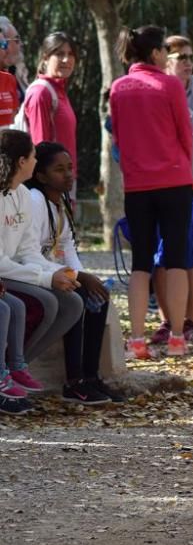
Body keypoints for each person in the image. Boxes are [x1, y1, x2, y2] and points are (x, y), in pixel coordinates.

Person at [110, 25, 193, 359]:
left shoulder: (118, 89)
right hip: (174, 180)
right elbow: (184, 133)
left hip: (137, 184)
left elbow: (118, 138)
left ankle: (137, 340)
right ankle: (176, 336)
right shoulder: (170, 85)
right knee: (176, 259)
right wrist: (182, 163)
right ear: (157, 53)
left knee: (140, 262)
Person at [27, 142, 124, 405]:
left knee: (98, 296)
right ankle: (74, 382)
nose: (68, 174)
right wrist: (77, 277)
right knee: (78, 295)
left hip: (54, 272)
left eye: (70, 168)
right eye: (59, 170)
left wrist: (84, 275)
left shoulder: (61, 202)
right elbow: (30, 254)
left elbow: (67, 245)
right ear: (41, 175)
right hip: (34, 273)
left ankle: (91, 377)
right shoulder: (35, 201)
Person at [0, 129, 84, 397]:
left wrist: (59, 271)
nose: (36, 162)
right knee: (40, 301)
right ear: (22, 162)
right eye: (34, 157)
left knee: (73, 302)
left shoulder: (22, 194)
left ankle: (17, 366)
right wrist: (47, 279)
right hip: (4, 271)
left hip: (15, 269)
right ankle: (8, 369)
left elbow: (28, 251)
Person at [150, 35, 193, 345]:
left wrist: (172, 100)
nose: (188, 62)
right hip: (157, 179)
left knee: (190, 249)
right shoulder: (152, 85)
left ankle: (191, 320)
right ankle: (166, 319)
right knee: (159, 253)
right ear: (163, 59)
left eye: (190, 56)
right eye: (180, 57)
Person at [21, 33, 79, 198]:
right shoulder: (41, 92)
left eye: (70, 54)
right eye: (59, 54)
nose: (66, 60)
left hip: (64, 183)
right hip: (49, 189)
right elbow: (40, 148)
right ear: (45, 58)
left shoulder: (60, 91)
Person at [0, 32, 17, 129]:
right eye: (2, 45)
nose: (6, 50)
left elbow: (13, 120)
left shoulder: (9, 79)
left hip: (7, 142)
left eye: (5, 44)